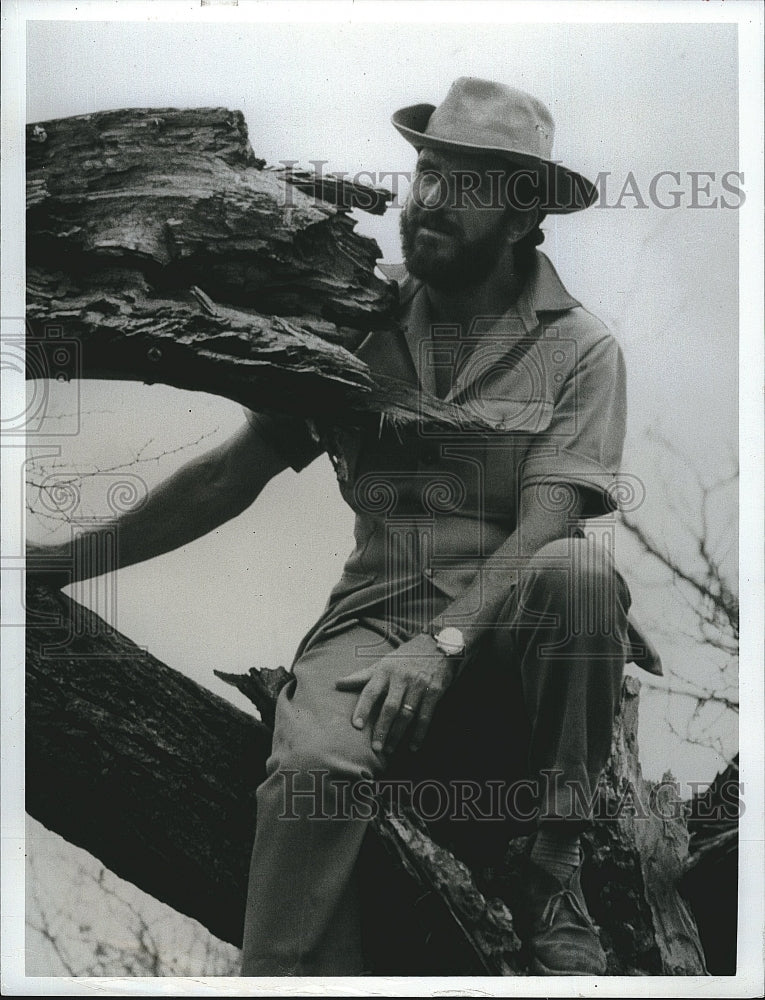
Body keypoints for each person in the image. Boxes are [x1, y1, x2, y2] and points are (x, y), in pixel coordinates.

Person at [28, 78, 662, 977]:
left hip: (508, 636)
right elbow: (228, 474)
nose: (432, 200)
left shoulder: (582, 348)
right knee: (314, 772)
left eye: (467, 184)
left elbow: (548, 522)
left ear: (523, 215)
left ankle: (550, 866)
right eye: (428, 172)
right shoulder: (355, 318)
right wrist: (71, 558)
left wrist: (441, 644)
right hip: (371, 618)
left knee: (581, 577)